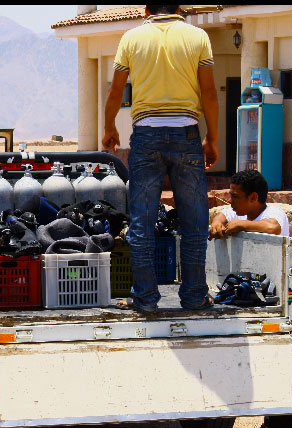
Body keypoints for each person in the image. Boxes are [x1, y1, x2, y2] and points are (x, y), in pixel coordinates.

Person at [103, 4, 219, 312]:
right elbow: (209, 92)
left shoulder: (131, 38)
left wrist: (108, 128)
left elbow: (116, 91)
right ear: (179, 8)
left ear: (145, 10)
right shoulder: (198, 37)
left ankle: (145, 299)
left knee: (141, 221)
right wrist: (213, 137)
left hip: (146, 135)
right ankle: (195, 296)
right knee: (194, 221)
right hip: (187, 133)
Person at [209, 169, 292, 428]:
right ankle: (277, 424)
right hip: (266, 303)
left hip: (291, 304)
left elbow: (273, 229)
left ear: (254, 197)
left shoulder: (274, 213)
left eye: (235, 196)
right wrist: (220, 221)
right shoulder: (239, 212)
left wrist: (241, 226)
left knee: (288, 363)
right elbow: (223, 216)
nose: (230, 201)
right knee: (275, 361)